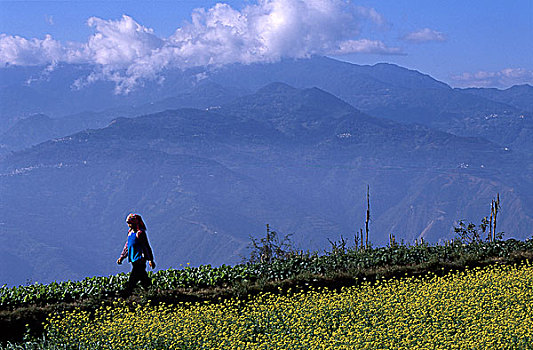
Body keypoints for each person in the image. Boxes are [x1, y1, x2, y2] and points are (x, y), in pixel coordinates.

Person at [117, 213, 156, 295]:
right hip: (133, 259)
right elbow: (127, 246)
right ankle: (151, 291)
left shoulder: (140, 233)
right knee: (143, 277)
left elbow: (146, 247)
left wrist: (150, 260)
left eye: (130, 223)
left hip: (140, 259)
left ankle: (127, 293)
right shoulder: (130, 233)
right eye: (128, 223)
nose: (129, 225)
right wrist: (122, 257)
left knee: (134, 278)